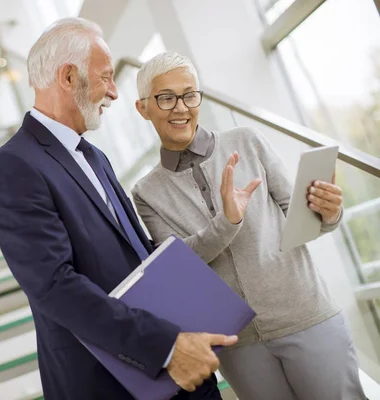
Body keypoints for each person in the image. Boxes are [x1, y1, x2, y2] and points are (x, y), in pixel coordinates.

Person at [0, 18, 238, 400]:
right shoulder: (15, 166)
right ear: (69, 77)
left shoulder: (94, 155)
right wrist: (166, 347)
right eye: (105, 77)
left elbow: (137, 256)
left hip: (175, 366)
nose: (115, 93)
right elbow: (55, 286)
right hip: (111, 379)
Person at [131, 51, 367, 400]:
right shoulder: (146, 192)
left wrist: (330, 213)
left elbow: (302, 217)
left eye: (189, 94)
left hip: (306, 315)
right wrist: (226, 222)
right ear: (143, 108)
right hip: (239, 345)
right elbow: (180, 266)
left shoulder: (247, 141)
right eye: (166, 98)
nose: (180, 107)